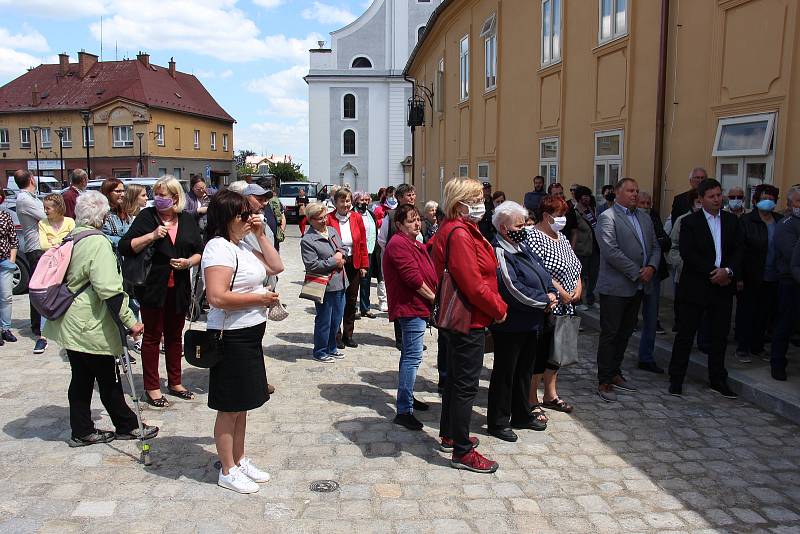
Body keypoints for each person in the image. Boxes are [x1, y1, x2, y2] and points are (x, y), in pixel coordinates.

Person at [43, 191, 158, 447]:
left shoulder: (73, 236)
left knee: (82, 377)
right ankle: (127, 425)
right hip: (89, 322)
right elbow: (109, 289)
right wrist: (131, 321)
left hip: (70, 319)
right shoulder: (97, 242)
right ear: (103, 216)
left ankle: (82, 430)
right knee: (109, 377)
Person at [202, 189, 282, 494]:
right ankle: (227, 468)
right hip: (229, 335)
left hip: (250, 332)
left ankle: (239, 458)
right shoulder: (217, 248)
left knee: (244, 403)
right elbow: (217, 296)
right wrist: (258, 298)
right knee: (230, 406)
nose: (249, 219)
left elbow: (276, 267)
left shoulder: (241, 245)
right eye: (244, 215)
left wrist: (261, 235)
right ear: (228, 218)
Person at [430, 177, 507, 474]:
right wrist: (498, 308)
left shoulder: (458, 228)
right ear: (460, 203)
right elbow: (472, 283)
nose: (481, 203)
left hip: (461, 317)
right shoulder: (459, 233)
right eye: (475, 198)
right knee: (465, 385)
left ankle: (451, 433)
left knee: (454, 381)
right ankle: (462, 451)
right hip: (468, 318)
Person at [119, 176, 203, 408]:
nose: (158, 198)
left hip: (179, 288)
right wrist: (152, 236)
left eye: (163, 194)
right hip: (153, 288)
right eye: (156, 193)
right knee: (153, 337)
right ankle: (152, 387)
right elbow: (125, 246)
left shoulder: (186, 219)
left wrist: (188, 262)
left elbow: (199, 251)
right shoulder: (148, 217)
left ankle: (175, 382)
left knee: (175, 337)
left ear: (175, 197)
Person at [489, 201, 557, 442]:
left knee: (524, 372)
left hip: (531, 322)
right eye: (520, 224)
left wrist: (551, 292)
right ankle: (498, 421)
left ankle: (521, 414)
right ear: (505, 228)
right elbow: (512, 289)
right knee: (505, 373)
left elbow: (542, 273)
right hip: (511, 323)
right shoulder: (500, 251)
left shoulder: (522, 246)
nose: (525, 228)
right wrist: (544, 301)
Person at [668, 178, 741, 397]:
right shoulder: (690, 222)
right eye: (712, 196)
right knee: (686, 334)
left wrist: (727, 272)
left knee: (719, 336)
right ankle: (676, 378)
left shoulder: (732, 221)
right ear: (701, 199)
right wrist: (713, 272)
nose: (717, 199)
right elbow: (688, 253)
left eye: (719, 195)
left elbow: (739, 250)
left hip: (723, 287)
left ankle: (717, 378)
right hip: (697, 285)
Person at [595, 178, 661, 402]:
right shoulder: (608, 217)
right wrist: (637, 271)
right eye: (630, 191)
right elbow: (611, 251)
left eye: (637, 190)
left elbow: (654, 246)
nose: (635, 194)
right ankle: (604, 379)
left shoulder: (644, 217)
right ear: (617, 193)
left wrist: (651, 267)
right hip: (616, 286)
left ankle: (615, 372)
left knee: (625, 332)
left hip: (639, 286)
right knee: (611, 333)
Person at [382, 203, 438, 431]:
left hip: (417, 307)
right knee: (412, 358)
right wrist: (436, 299)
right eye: (411, 220)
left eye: (418, 219)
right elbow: (413, 279)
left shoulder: (412, 242)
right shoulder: (398, 245)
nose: (417, 223)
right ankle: (404, 410)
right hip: (410, 307)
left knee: (410, 355)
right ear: (399, 225)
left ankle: (408, 397)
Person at [525, 195, 582, 415]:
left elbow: (574, 265)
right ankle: (531, 398)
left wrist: (578, 286)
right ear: (547, 216)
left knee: (557, 354)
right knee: (541, 353)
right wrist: (562, 293)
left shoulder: (562, 237)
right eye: (559, 215)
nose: (563, 219)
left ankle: (550, 394)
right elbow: (541, 271)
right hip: (547, 306)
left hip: (566, 307)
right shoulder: (534, 237)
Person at [736, 184, 781, 364]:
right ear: (755, 201)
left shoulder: (779, 220)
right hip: (751, 275)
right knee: (747, 312)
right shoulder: (746, 221)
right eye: (764, 199)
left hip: (772, 275)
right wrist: (738, 277)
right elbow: (739, 251)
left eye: (771, 199)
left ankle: (757, 346)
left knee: (764, 313)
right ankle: (742, 348)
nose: (768, 202)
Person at [301, 202, 348, 363]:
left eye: (325, 216)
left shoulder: (332, 231)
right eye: (319, 218)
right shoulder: (308, 240)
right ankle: (320, 350)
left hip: (340, 282)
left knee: (337, 318)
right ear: (311, 220)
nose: (324, 220)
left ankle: (332, 347)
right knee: (324, 320)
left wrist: (341, 255)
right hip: (323, 285)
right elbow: (312, 265)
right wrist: (334, 261)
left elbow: (344, 248)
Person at [326, 188, 369, 348]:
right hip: (337, 264)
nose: (346, 204)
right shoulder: (329, 219)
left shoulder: (357, 218)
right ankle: (335, 335)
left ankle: (348, 334)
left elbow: (362, 242)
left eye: (348, 201)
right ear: (335, 203)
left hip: (354, 263)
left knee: (351, 300)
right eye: (342, 201)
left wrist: (364, 265)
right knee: (337, 300)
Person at [13, 169, 48, 354]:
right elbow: (45, 215)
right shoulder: (24, 199)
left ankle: (42, 320)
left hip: (41, 246)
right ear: (32, 179)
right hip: (35, 248)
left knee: (44, 286)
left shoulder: (30, 197)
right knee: (37, 287)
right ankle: (37, 325)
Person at [636, 191, 671, 373]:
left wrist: (651, 267)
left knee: (651, 318)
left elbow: (664, 242)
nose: (646, 206)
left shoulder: (654, 218)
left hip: (653, 273)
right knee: (628, 319)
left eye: (648, 203)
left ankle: (646, 356)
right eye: (643, 202)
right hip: (633, 275)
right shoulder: (630, 219)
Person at [769, 186, 800, 381]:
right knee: (784, 325)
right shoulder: (786, 225)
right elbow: (792, 256)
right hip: (789, 282)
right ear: (790, 204)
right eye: (798, 202)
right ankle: (777, 363)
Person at [378, 183, 418, 321]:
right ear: (400, 198)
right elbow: (382, 240)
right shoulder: (391, 215)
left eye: (413, 194)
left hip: (417, 262)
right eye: (409, 195)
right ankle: (401, 338)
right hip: (398, 263)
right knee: (400, 298)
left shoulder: (419, 214)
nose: (412, 197)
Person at [572, 186, 598, 310]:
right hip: (581, 248)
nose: (586, 198)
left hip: (593, 247)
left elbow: (595, 226)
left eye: (588, 195)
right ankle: (579, 301)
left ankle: (590, 299)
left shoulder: (591, 210)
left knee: (593, 275)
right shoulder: (575, 211)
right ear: (579, 197)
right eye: (584, 195)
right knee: (580, 276)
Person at [353, 191, 378, 319]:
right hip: (356, 252)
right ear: (356, 200)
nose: (365, 202)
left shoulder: (371, 215)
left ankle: (365, 307)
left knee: (366, 282)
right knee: (355, 281)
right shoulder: (352, 214)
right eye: (362, 200)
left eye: (367, 200)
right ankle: (353, 308)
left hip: (370, 252)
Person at [0, 192, 19, 345]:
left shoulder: (5, 216)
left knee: (6, 297)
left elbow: (13, 239)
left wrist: (12, 261)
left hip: (5, 261)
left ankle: (5, 328)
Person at [100, 178, 131, 248]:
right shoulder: (100, 214)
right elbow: (101, 236)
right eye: (118, 191)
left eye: (123, 191)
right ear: (107, 193)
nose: (122, 194)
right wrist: (125, 242)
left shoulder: (123, 211)